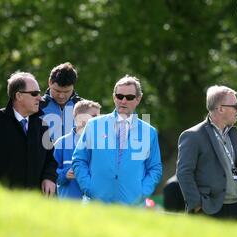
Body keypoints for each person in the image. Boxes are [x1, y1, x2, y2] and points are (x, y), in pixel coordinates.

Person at [72, 75, 162, 205]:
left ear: (138, 99)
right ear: (114, 97)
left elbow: (155, 168)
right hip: (96, 204)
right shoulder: (94, 125)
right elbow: (79, 159)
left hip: (133, 206)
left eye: (129, 97)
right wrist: (89, 188)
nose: (123, 101)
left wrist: (142, 193)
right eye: (120, 96)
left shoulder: (150, 132)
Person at [176, 85, 237, 220]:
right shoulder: (192, 135)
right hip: (208, 209)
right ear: (220, 109)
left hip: (236, 208)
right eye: (235, 106)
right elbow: (184, 173)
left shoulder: (236, 137)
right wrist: (197, 205)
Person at [0, 71, 57, 195]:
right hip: (2, 201)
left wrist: (49, 177)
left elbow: (51, 159)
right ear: (18, 96)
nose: (40, 97)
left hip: (36, 202)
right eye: (34, 93)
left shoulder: (42, 125)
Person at [53, 100, 101, 200]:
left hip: (96, 204)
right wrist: (64, 174)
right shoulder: (62, 143)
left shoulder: (102, 143)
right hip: (70, 205)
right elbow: (50, 173)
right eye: (94, 116)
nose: (99, 120)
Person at [40, 62, 82, 143]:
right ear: (49, 82)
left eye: (66, 91)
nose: (61, 96)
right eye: (57, 91)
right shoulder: (36, 107)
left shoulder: (85, 108)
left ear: (73, 86)